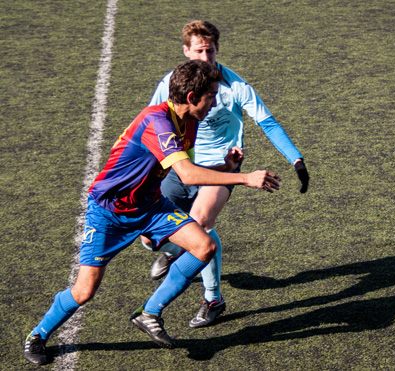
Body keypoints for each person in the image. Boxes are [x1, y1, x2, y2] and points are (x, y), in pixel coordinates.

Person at [23, 60, 281, 365]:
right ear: (191, 97)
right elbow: (186, 174)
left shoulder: (190, 122)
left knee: (204, 246)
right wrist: (244, 177)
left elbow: (181, 167)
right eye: (210, 95)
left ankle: (149, 313)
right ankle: (37, 335)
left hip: (149, 206)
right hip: (109, 211)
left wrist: (223, 168)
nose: (215, 100)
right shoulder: (156, 122)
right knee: (84, 290)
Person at [143, 20, 309, 328]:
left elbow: (268, 123)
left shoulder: (236, 86)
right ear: (185, 51)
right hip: (179, 166)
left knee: (200, 224)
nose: (205, 58)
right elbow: (150, 122)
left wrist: (296, 159)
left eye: (211, 51)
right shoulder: (172, 83)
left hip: (222, 168)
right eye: (199, 51)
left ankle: (213, 298)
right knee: (148, 234)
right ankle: (172, 248)